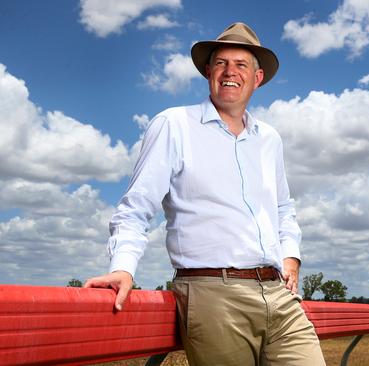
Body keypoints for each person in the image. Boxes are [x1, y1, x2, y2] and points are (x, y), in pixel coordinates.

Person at [84, 22, 326, 365]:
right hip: (213, 293)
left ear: (257, 78)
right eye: (221, 63)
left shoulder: (269, 138)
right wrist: (123, 267)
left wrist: (291, 255)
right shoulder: (174, 125)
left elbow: (283, 207)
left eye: (241, 65)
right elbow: (136, 207)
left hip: (279, 294)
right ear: (208, 72)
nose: (230, 72)